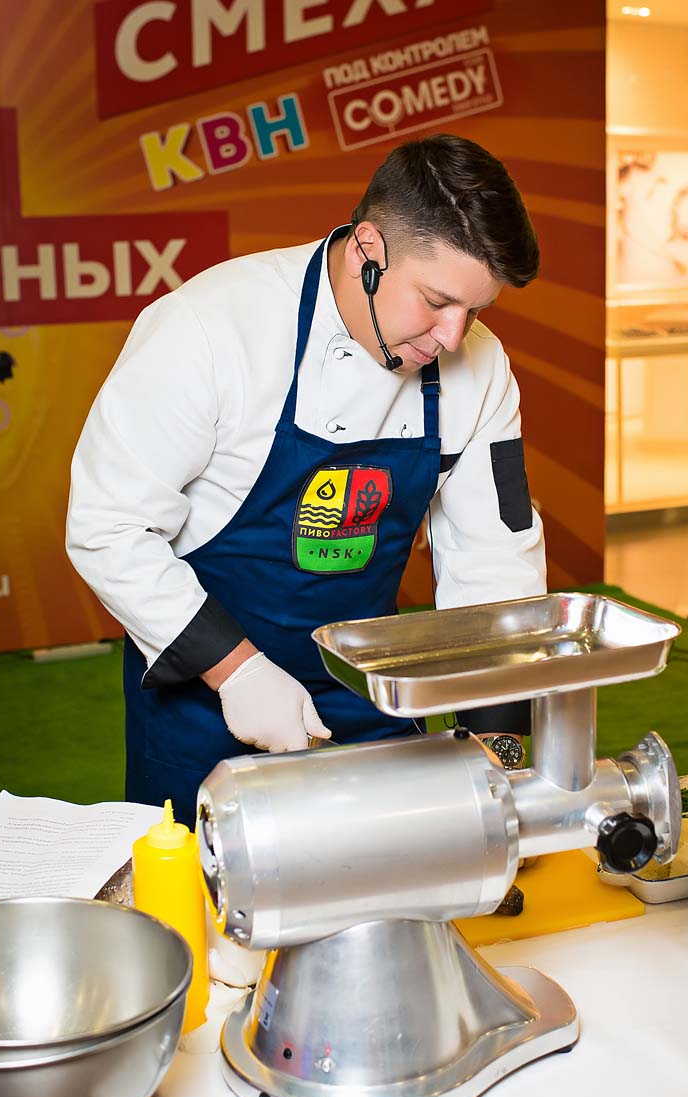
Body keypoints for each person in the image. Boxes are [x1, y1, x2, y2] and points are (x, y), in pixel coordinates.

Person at [66, 134, 547, 825]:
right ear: (367, 251)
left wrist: (497, 753)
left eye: (474, 311)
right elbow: (108, 528)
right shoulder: (210, 328)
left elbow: (494, 560)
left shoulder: (481, 367)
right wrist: (240, 672)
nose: (452, 336)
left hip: (369, 697)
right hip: (205, 698)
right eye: (436, 301)